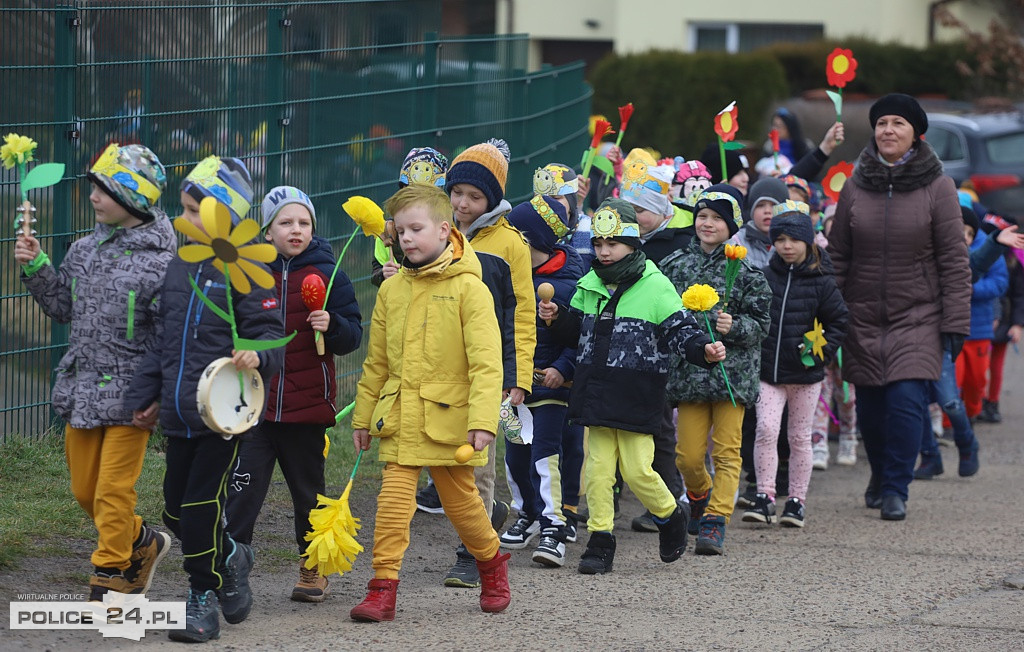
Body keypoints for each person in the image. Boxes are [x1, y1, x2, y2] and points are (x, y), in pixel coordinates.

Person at [128, 156, 285, 642]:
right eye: (185, 209)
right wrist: (146, 393)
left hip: (223, 418)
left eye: (196, 211)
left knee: (198, 510)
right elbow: (161, 339)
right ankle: (233, 554)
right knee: (175, 510)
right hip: (178, 413)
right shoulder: (179, 266)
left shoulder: (248, 266)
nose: (186, 219)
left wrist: (256, 354)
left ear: (227, 216)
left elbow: (270, 333)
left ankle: (202, 596)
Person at [15, 143, 175, 601]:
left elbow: (168, 337)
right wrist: (38, 266)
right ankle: (143, 541)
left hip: (133, 397)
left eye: (103, 188)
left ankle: (110, 575)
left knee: (111, 490)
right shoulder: (84, 250)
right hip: (82, 390)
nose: (93, 196)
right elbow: (62, 305)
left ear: (133, 198)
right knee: (85, 490)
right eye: (93, 186)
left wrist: (157, 396)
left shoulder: (163, 264)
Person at [349, 184, 510, 621]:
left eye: (415, 229)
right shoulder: (391, 291)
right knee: (392, 504)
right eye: (400, 231)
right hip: (400, 418)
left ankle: (493, 564)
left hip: (448, 420)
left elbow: (486, 363)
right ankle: (382, 589)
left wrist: (483, 422)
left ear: (444, 230)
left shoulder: (470, 290)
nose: (406, 239)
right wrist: (363, 417)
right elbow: (376, 364)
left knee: (464, 508)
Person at [539, 198, 724, 574]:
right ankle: (600, 540)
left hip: (637, 393)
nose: (604, 252)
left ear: (633, 243)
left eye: (613, 244)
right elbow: (577, 331)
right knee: (598, 472)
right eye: (599, 244)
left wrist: (702, 349)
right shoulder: (589, 283)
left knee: (639, 470)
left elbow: (680, 331)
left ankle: (671, 515)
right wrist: (557, 318)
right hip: (595, 391)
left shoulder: (656, 286)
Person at [828, 93, 971, 521]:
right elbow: (838, 256)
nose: (888, 130)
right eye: (882, 122)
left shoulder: (939, 187)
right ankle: (880, 475)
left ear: (915, 134)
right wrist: (832, 313)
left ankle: (896, 488)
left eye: (899, 124)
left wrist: (956, 322)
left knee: (907, 403)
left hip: (919, 316)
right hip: (863, 316)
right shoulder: (855, 185)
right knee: (871, 411)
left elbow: (953, 260)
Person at [225, 186, 363, 603]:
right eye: (285, 222)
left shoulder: (330, 270)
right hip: (254, 407)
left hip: (307, 410)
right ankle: (233, 563)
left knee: (309, 494)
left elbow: (353, 336)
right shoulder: (251, 272)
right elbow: (231, 322)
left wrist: (333, 325)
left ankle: (313, 565)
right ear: (268, 231)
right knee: (242, 490)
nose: (296, 230)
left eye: (304, 223)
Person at [437, 138, 535, 587]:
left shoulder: (509, 243)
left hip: (489, 372)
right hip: (439, 367)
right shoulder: (437, 231)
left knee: (478, 461)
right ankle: (490, 517)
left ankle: (471, 552)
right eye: (457, 192)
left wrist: (516, 378)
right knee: (443, 459)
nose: (463, 203)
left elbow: (521, 310)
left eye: (474, 197)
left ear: (491, 199)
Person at [661, 184, 772, 555]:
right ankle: (699, 493)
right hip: (690, 375)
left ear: (732, 225)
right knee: (688, 456)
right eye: (702, 217)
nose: (707, 224)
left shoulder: (746, 270)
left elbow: (761, 324)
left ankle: (715, 519)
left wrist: (734, 327)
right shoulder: (675, 266)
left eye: (717, 219)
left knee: (727, 451)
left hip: (731, 377)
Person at [741, 201, 848, 528]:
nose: (787, 246)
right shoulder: (764, 276)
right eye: (781, 239)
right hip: (768, 373)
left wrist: (822, 351)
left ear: (808, 242)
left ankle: (797, 501)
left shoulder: (822, 280)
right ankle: (765, 496)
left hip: (805, 374)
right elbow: (752, 313)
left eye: (794, 240)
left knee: (800, 437)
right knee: (766, 429)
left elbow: (839, 321)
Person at [500, 195, 585, 567]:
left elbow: (582, 337)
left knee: (545, 456)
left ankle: (554, 524)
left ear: (533, 241)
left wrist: (563, 368)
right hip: (512, 388)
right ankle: (528, 512)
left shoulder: (567, 285)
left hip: (551, 387)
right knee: (515, 456)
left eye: (515, 235)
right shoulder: (508, 279)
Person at [620, 162, 691, 532]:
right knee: (614, 422)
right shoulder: (622, 241)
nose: (635, 218)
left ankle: (670, 500)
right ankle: (611, 499)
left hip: (659, 350)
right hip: (622, 346)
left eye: (642, 211)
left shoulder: (678, 243)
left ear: (662, 211)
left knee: (660, 427)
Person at [914, 204, 998, 479]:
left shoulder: (962, 263)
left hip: (942, 340)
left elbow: (977, 264)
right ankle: (929, 457)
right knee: (916, 401)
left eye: (969, 233)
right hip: (913, 338)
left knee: (949, 401)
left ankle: (967, 443)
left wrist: (996, 242)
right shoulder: (923, 256)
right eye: (957, 229)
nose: (963, 236)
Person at [372, 146, 449, 287]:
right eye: (410, 192)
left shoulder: (450, 228)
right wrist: (383, 275)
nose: (406, 237)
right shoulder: (389, 231)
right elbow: (377, 268)